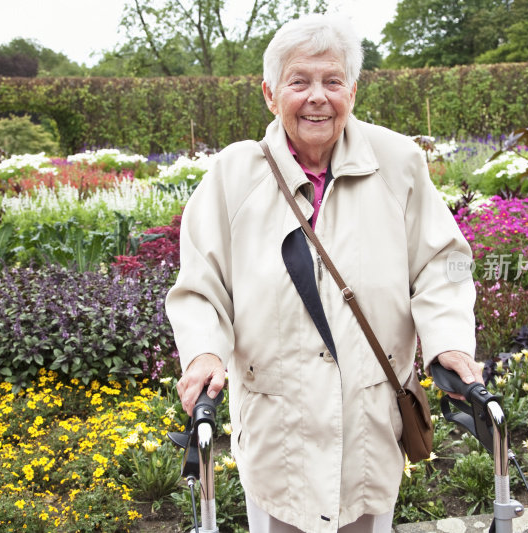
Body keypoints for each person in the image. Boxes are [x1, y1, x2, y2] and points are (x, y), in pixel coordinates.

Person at [165, 13, 483, 533]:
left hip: (369, 427)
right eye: (299, 81)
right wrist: (203, 351)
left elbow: (443, 262)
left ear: (352, 91)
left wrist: (448, 340)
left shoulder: (397, 162)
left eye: (332, 81)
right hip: (277, 433)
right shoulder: (233, 174)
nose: (318, 96)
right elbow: (202, 286)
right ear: (270, 94)